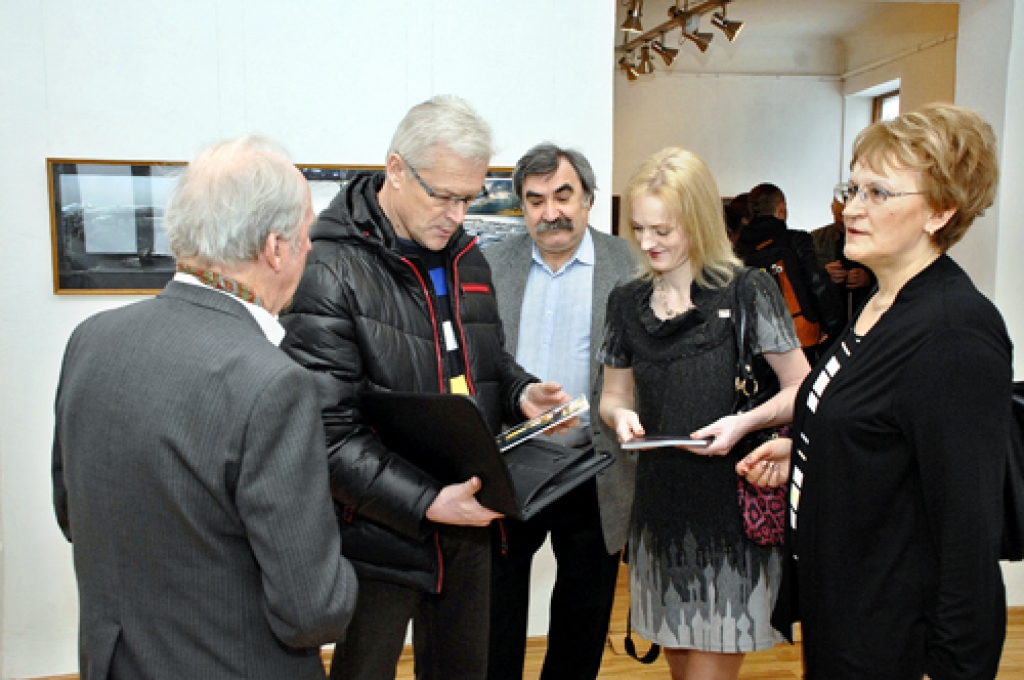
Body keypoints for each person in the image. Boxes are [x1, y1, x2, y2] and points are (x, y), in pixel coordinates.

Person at [279, 96, 572, 680]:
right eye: (442, 194)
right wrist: (426, 502)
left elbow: (478, 357)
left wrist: (519, 391)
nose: (457, 213)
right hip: (376, 537)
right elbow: (325, 434)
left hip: (470, 529)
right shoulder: (330, 269)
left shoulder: (468, 257)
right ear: (395, 169)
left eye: (471, 196)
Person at [51, 136, 359, 679]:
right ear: (275, 248)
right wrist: (358, 573)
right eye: (306, 230)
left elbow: (72, 512)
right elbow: (311, 613)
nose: (311, 246)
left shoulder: (91, 340)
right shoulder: (272, 384)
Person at [739, 103, 1011, 679]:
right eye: (852, 188)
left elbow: (968, 529)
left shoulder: (954, 329)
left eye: (879, 193)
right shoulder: (881, 303)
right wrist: (809, 451)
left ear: (940, 211)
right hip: (846, 609)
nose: (851, 209)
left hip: (896, 637)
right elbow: (884, 428)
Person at [598, 147, 810, 680]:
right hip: (660, 511)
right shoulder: (626, 302)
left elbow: (800, 389)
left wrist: (744, 422)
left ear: (696, 222)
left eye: (663, 230)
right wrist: (619, 418)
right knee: (680, 666)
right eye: (640, 229)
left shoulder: (748, 291)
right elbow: (614, 395)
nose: (647, 244)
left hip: (729, 515)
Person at [483, 143, 637, 680]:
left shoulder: (630, 267)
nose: (551, 212)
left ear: (588, 198)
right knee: (494, 615)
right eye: (536, 200)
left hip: (595, 468)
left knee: (583, 616)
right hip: (511, 467)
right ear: (521, 208)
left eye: (563, 195)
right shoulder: (491, 264)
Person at [734, 183, 843, 361]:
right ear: (781, 208)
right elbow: (816, 282)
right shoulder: (796, 241)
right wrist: (833, 326)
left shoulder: (738, 250)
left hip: (755, 340)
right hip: (799, 334)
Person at [810, 198, 875, 323]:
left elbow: (893, 275)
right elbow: (802, 279)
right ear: (832, 210)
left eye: (852, 216)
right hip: (827, 320)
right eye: (841, 215)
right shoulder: (814, 240)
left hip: (865, 316)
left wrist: (869, 278)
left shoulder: (874, 238)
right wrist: (824, 274)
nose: (846, 221)